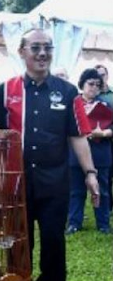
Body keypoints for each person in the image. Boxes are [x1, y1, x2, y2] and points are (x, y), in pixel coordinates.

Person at [0, 28, 99, 281]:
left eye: (48, 48)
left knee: (54, 242)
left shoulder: (67, 91)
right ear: (21, 52)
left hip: (55, 183)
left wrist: (90, 173)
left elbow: (77, 135)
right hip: (17, 184)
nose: (43, 53)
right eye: (36, 47)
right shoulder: (5, 90)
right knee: (19, 246)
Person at [66, 68, 112, 235]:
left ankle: (103, 223)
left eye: (98, 85)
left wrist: (104, 133)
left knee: (103, 190)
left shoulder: (107, 105)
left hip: (100, 151)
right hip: (76, 154)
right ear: (82, 84)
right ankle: (74, 222)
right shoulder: (73, 104)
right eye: (90, 83)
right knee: (76, 190)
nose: (94, 87)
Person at [95, 64, 113, 212]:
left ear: (107, 75)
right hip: (100, 141)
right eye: (98, 74)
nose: (101, 77)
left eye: (103, 74)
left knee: (109, 175)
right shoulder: (92, 95)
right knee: (104, 176)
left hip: (109, 137)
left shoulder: (112, 95)